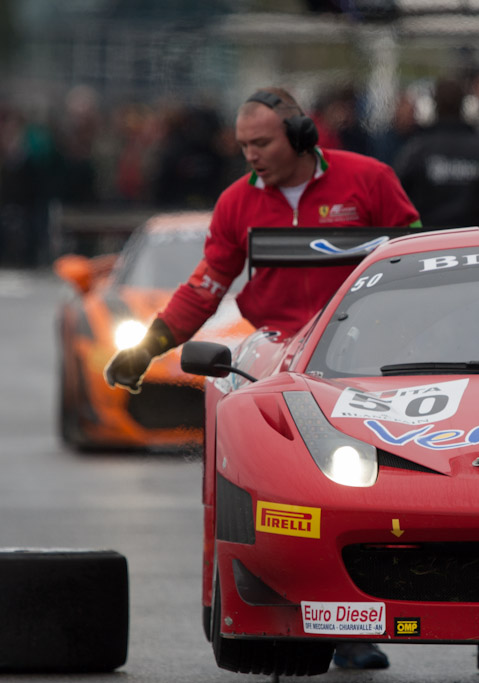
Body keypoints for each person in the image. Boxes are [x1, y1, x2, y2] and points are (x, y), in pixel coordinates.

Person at [103, 87, 421, 670]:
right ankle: (264, 606)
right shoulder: (236, 203)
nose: (251, 155)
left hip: (359, 359)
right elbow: (205, 286)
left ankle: (377, 620)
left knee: (368, 488)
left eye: (262, 142)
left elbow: (417, 257)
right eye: (243, 145)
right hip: (273, 354)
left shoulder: (368, 178)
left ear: (301, 135)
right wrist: (147, 348)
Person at [393, 77, 479, 228]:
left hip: (426, 243)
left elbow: (395, 201)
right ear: (465, 107)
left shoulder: (415, 151)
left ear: (433, 107)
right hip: (476, 245)